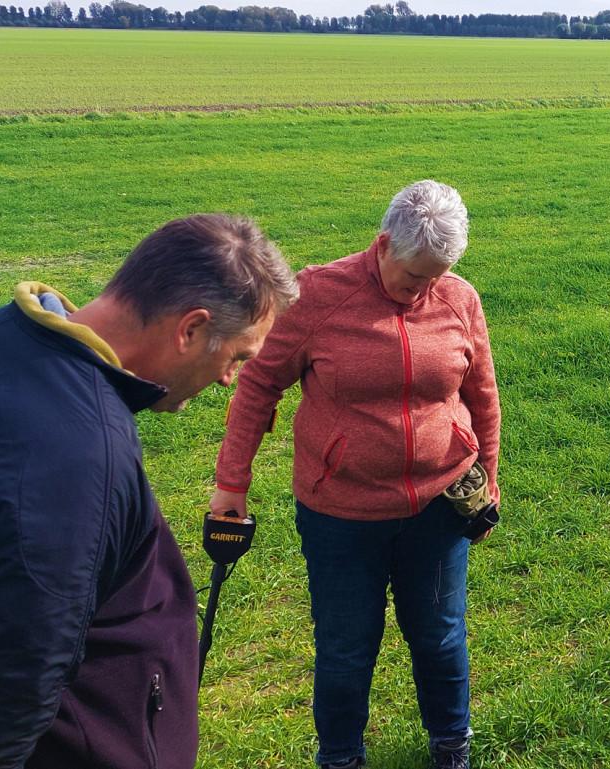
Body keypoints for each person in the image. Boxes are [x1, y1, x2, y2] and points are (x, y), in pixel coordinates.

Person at [0, 214, 298, 769]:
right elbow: (7, 687)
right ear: (190, 328)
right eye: (237, 357)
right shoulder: (76, 455)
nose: (229, 379)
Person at [210, 180, 501, 769]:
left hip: (438, 507)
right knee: (345, 649)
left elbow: (483, 394)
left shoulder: (459, 298)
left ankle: (452, 744)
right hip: (340, 514)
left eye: (436, 277)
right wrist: (230, 485)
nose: (423, 290)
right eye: (414, 275)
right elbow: (258, 385)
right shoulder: (318, 296)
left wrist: (487, 480)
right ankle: (340, 756)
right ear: (383, 244)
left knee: (441, 638)